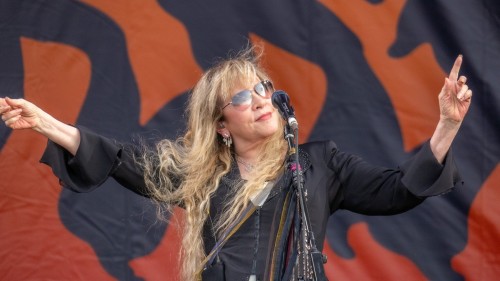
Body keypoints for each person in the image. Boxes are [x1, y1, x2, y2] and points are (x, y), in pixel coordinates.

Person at [0, 47, 472, 281]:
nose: (261, 100)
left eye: (264, 89)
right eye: (243, 97)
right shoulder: (201, 177)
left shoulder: (318, 164)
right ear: (222, 125)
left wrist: (446, 126)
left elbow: (399, 191)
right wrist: (47, 125)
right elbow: (121, 159)